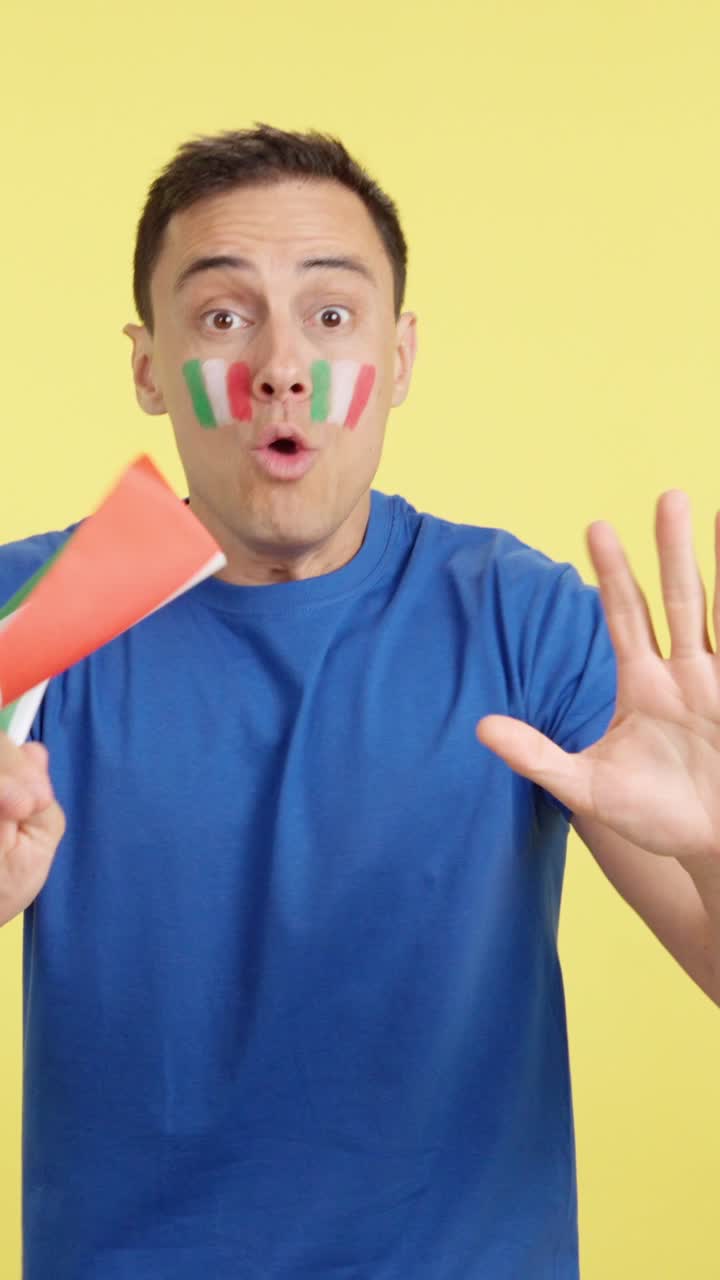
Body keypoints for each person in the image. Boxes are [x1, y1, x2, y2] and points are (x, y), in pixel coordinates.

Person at [1, 123, 718, 1280]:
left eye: (331, 316)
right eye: (224, 317)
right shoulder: (26, 616)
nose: (282, 363)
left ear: (401, 355)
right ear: (147, 365)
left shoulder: (524, 619)